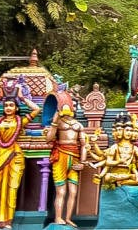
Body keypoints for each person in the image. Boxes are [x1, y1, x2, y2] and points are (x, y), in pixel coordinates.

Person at [0, 82, 41, 229]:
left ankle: (7, 221)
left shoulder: (21, 121)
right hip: (2, 156)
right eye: (6, 105)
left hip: (15, 156)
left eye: (11, 105)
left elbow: (37, 109)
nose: (8, 108)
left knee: (11, 189)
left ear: (16, 108)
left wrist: (22, 97)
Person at [46, 93, 88, 227]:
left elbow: (84, 145)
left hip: (75, 158)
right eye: (70, 105)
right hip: (61, 156)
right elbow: (49, 139)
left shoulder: (79, 126)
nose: (72, 108)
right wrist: (54, 120)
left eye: (74, 105)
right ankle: (58, 217)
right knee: (61, 191)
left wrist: (82, 162)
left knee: (73, 192)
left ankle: (68, 218)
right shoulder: (58, 123)